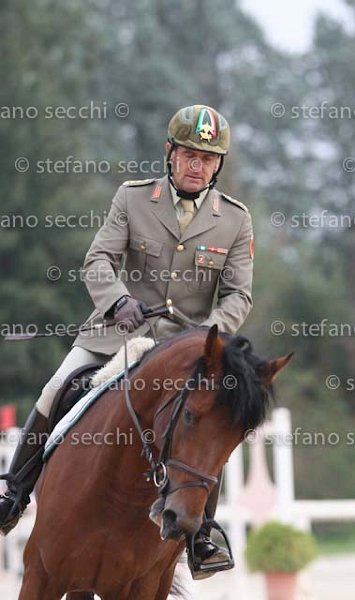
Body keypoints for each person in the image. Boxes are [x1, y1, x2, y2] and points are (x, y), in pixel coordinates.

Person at [0, 104, 254, 578]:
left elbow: (239, 295)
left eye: (207, 158)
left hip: (187, 350)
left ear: (218, 164)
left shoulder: (235, 220)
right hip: (117, 335)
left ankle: (200, 535)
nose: (197, 166)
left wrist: (206, 338)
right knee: (55, 388)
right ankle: (13, 490)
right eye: (189, 155)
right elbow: (98, 261)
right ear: (170, 153)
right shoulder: (133, 198)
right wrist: (118, 301)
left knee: (209, 421)